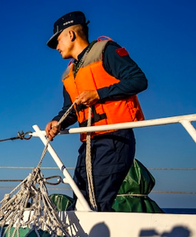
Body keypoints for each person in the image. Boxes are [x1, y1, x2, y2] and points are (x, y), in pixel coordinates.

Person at [44, 11, 147, 212]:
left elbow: (138, 80)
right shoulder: (69, 73)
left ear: (71, 35)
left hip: (114, 138)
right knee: (81, 200)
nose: (57, 47)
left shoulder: (106, 51)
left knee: (97, 202)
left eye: (58, 40)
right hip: (89, 144)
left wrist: (99, 94)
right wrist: (57, 122)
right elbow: (70, 110)